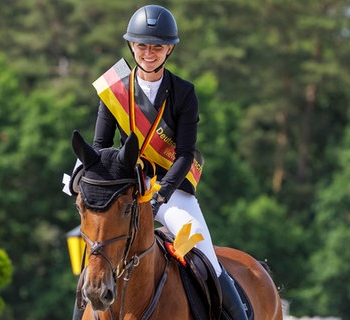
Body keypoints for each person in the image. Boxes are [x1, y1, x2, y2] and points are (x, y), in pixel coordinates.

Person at [89, 4, 248, 319]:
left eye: (157, 46)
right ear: (131, 46)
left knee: (207, 258)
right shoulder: (114, 89)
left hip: (171, 190)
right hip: (127, 189)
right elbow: (100, 146)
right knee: (94, 254)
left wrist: (159, 195)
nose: (149, 53)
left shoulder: (184, 92)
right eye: (142, 45)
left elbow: (185, 154)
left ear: (169, 49)